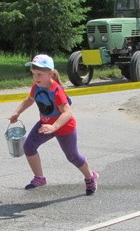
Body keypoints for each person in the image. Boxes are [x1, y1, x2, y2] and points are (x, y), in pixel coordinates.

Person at [8, 54, 98, 195]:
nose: (36, 78)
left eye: (40, 74)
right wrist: (17, 112)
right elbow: (29, 100)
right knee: (29, 146)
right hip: (45, 125)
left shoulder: (57, 91)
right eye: (33, 74)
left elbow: (68, 113)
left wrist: (54, 127)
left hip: (64, 127)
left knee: (72, 156)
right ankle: (39, 178)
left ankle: (90, 176)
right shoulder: (36, 87)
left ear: (50, 73)